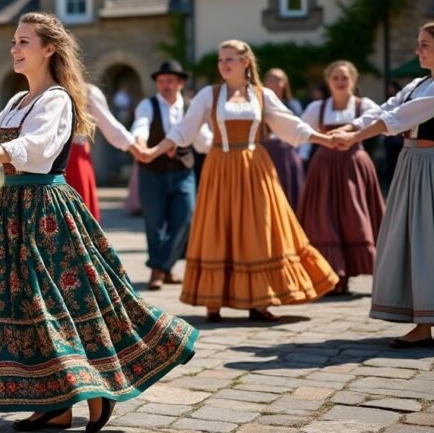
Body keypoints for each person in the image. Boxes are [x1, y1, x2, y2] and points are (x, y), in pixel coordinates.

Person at [0, 12, 197, 433]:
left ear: (49, 48)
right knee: (20, 303)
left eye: (23, 42)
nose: (14, 49)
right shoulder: (17, 101)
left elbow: (32, 149)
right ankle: (53, 404)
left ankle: (99, 387)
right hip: (13, 209)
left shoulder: (56, 99)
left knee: (61, 302)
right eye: (14, 42)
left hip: (45, 209)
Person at [139, 40, 339, 322]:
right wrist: (154, 150)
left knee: (258, 228)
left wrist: (324, 139)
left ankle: (259, 300)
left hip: (255, 167)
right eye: (220, 60)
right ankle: (213, 301)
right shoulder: (210, 94)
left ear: (246, 62)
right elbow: (184, 129)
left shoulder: (262, 94)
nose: (223, 64)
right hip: (220, 167)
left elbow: (290, 125)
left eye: (229, 59)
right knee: (219, 227)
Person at [332, 22, 434, 348]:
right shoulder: (420, 83)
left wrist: (354, 137)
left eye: (424, 44)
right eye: (418, 43)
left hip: (433, 168)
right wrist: (347, 128)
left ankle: (432, 322)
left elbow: (398, 119)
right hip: (412, 166)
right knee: (411, 240)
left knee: (432, 243)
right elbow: (385, 109)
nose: (418, 50)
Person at [298, 61, 383, 296]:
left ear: (353, 80)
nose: (340, 81)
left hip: (354, 166)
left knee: (354, 217)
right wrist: (303, 158)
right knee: (324, 219)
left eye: (344, 77)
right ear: (328, 81)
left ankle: (359, 271)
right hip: (324, 168)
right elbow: (303, 132)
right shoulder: (318, 108)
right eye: (335, 77)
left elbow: (384, 122)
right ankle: (333, 275)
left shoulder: (363, 105)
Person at [130, 60, 212, 291]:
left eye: (170, 81)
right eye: (161, 81)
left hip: (182, 171)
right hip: (152, 172)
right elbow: (141, 125)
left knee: (186, 218)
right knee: (154, 222)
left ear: (180, 83)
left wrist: (224, 146)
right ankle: (160, 270)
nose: (165, 85)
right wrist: (140, 143)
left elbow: (203, 140)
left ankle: (161, 266)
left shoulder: (189, 107)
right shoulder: (148, 105)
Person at [64, 83, 145, 220]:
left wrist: (133, 146)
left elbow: (109, 124)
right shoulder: (43, 88)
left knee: (78, 219)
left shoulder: (87, 92)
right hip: (50, 161)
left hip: (75, 160)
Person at [261, 68, 306, 209]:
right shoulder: (258, 104)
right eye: (271, 78)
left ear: (285, 84)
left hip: (286, 154)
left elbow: (300, 129)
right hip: (264, 154)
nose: (275, 83)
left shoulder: (293, 105)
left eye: (279, 79)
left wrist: (301, 154)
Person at [382, 80, 405, 178]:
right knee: (390, 159)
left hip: (399, 137)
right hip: (389, 138)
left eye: (391, 88)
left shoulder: (402, 100)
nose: (389, 90)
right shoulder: (388, 101)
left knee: (398, 159)